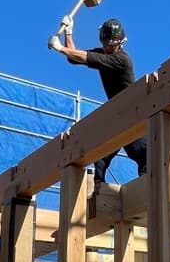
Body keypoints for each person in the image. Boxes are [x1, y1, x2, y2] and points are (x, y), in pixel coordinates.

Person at [52, 16, 148, 186]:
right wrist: (69, 32)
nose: (107, 48)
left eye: (110, 46)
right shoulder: (103, 53)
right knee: (103, 153)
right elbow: (74, 57)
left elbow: (85, 57)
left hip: (133, 114)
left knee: (143, 153)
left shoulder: (122, 60)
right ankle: (98, 187)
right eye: (105, 44)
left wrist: (60, 48)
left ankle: (148, 187)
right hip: (118, 115)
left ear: (120, 43)